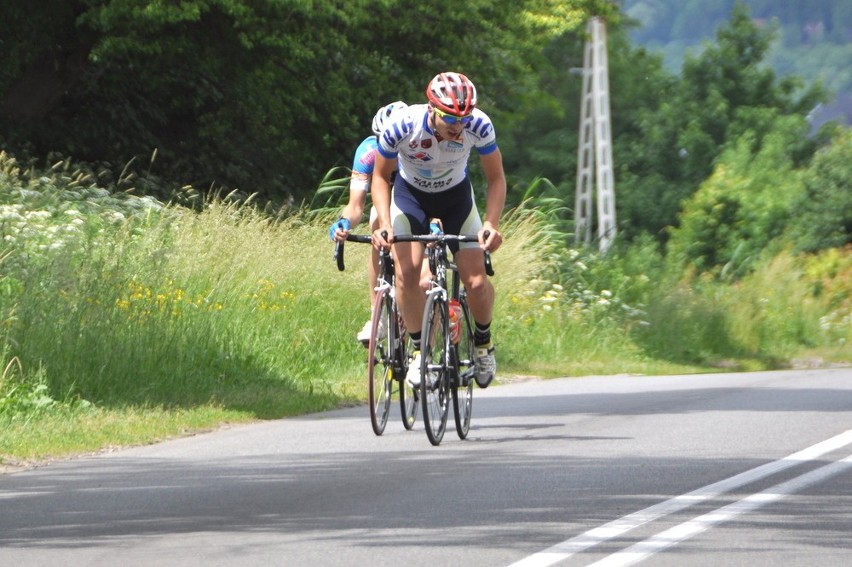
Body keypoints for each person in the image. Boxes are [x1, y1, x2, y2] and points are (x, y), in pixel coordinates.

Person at [370, 71, 506, 389]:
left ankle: (483, 344)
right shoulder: (402, 126)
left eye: (464, 117)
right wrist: (385, 224)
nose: (457, 125)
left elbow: (496, 178)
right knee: (407, 273)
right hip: (410, 197)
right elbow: (379, 176)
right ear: (432, 108)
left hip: (456, 199)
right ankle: (421, 351)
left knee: (475, 280)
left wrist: (491, 224)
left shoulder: (479, 125)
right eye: (450, 118)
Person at [329, 101, 408, 345]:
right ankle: (378, 315)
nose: (389, 151)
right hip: (385, 203)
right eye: (383, 142)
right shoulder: (368, 151)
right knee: (378, 227)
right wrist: (344, 222)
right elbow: (356, 206)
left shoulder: (417, 150)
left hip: (415, 201)